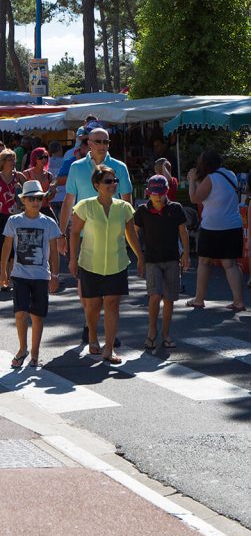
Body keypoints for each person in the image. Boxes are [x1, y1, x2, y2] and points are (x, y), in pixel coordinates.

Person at [59, 126, 132, 345]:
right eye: (98, 141)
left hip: (111, 235)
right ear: (88, 144)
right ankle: (89, 325)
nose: (102, 145)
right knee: (86, 287)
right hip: (82, 235)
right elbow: (68, 201)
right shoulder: (76, 167)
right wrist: (61, 233)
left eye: (106, 142)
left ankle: (109, 333)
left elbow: (127, 202)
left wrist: (131, 236)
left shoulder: (119, 167)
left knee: (111, 293)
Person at [69, 164, 144, 365]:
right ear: (97, 185)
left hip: (117, 263)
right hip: (89, 262)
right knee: (92, 306)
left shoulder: (124, 207)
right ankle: (93, 337)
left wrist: (140, 257)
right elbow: (74, 232)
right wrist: (72, 259)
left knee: (112, 305)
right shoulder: (85, 206)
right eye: (108, 181)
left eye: (115, 181)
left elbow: (131, 234)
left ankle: (108, 349)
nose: (113, 185)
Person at [0, 179, 62, 368]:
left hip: (41, 276)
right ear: (23, 201)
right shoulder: (14, 220)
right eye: (31, 199)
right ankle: (22, 348)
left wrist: (55, 276)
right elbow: (6, 247)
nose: (35, 202)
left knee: (37, 316)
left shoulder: (49, 223)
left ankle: (35, 352)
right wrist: (3, 271)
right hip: (20, 275)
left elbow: (54, 252)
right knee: (20, 313)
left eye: (39, 198)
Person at [134, 174, 190, 351]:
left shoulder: (176, 208)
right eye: (154, 193)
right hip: (151, 259)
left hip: (172, 258)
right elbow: (134, 234)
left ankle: (166, 334)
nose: (157, 197)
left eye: (161, 193)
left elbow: (183, 231)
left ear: (166, 192)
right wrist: (139, 257)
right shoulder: (142, 211)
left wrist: (186, 254)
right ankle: (152, 330)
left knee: (169, 298)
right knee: (155, 295)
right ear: (148, 193)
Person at [186, 150, 245, 311]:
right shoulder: (230, 174)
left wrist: (192, 180)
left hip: (213, 226)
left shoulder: (211, 178)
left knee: (204, 262)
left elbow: (195, 198)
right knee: (230, 264)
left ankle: (199, 299)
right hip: (233, 225)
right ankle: (238, 301)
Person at [0, 148, 24, 277]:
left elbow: (29, 194)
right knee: (4, 246)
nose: (13, 162)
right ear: (2, 161)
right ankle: (4, 275)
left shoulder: (19, 176)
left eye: (14, 159)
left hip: (17, 216)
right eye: (9, 159)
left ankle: (11, 275)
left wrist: (21, 190)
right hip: (0, 216)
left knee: (15, 247)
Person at [22, 147, 57, 217]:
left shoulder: (49, 175)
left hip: (45, 208)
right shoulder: (26, 174)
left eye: (46, 157)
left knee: (56, 224)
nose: (44, 159)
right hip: (30, 208)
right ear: (34, 158)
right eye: (41, 157)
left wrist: (53, 191)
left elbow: (49, 198)